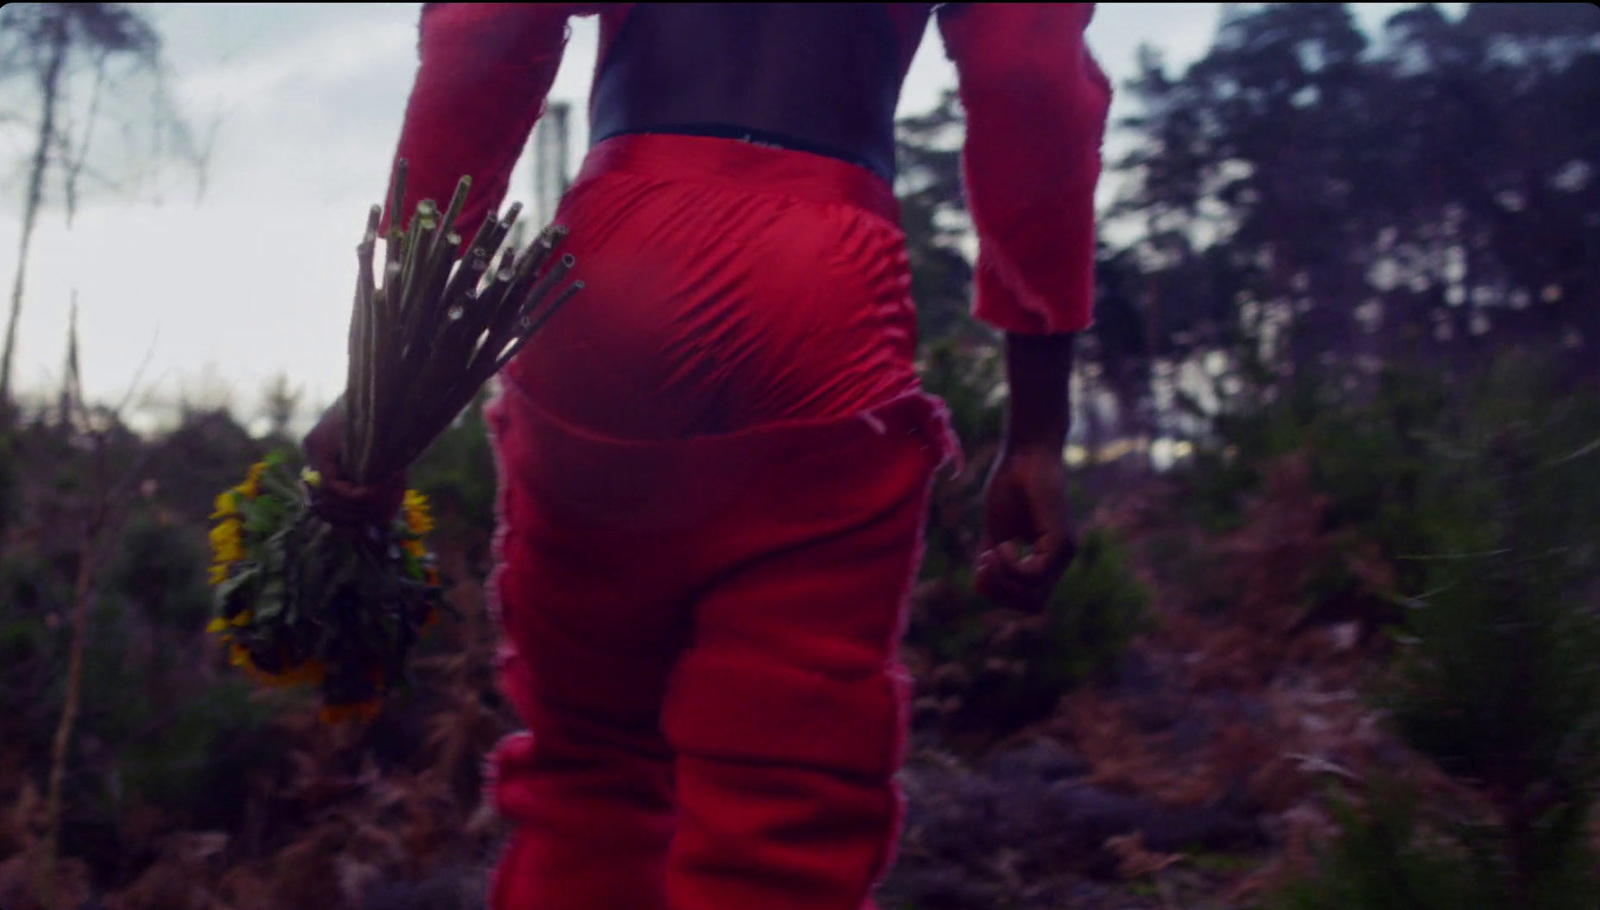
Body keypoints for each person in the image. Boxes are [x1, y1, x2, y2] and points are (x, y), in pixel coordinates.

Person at [308, 4, 1111, 908]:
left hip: (608, 277)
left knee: (591, 777)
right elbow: (1030, 82)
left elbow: (486, 33)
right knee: (783, 820)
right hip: (820, 295)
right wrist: (1038, 429)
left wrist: (391, 368)